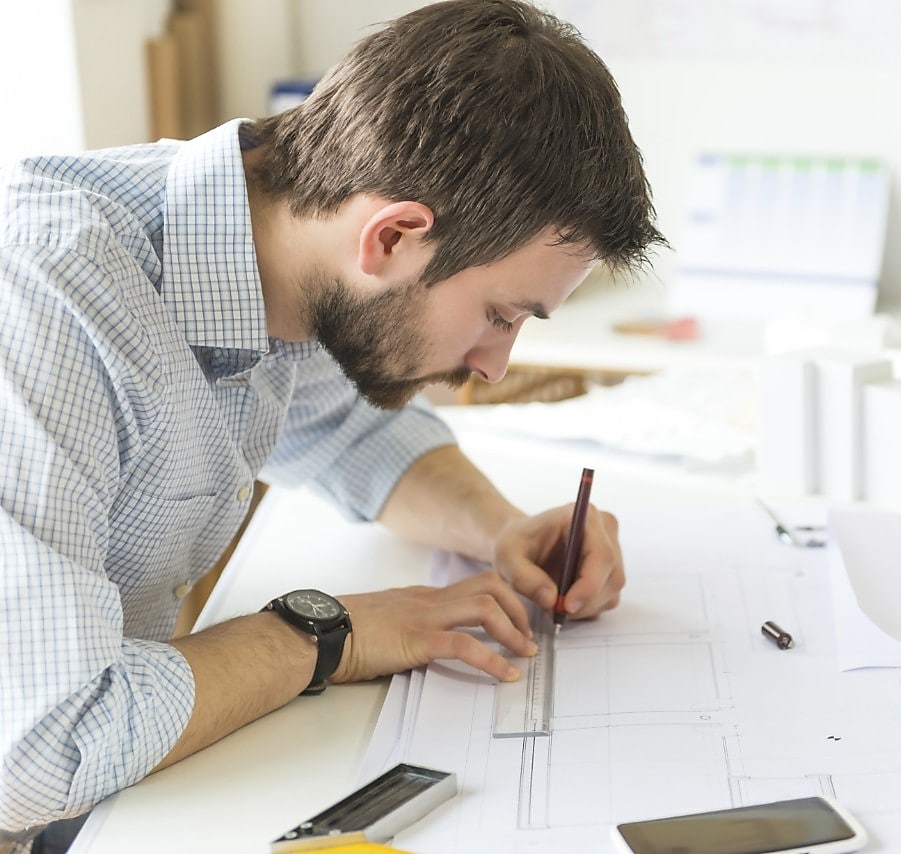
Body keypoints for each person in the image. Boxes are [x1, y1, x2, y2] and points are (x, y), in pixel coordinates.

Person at [0, 1, 665, 850]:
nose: (497, 364)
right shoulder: (47, 302)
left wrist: (502, 530)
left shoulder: (280, 235)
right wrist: (321, 636)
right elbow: (37, 747)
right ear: (391, 236)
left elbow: (351, 432)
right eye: (501, 313)